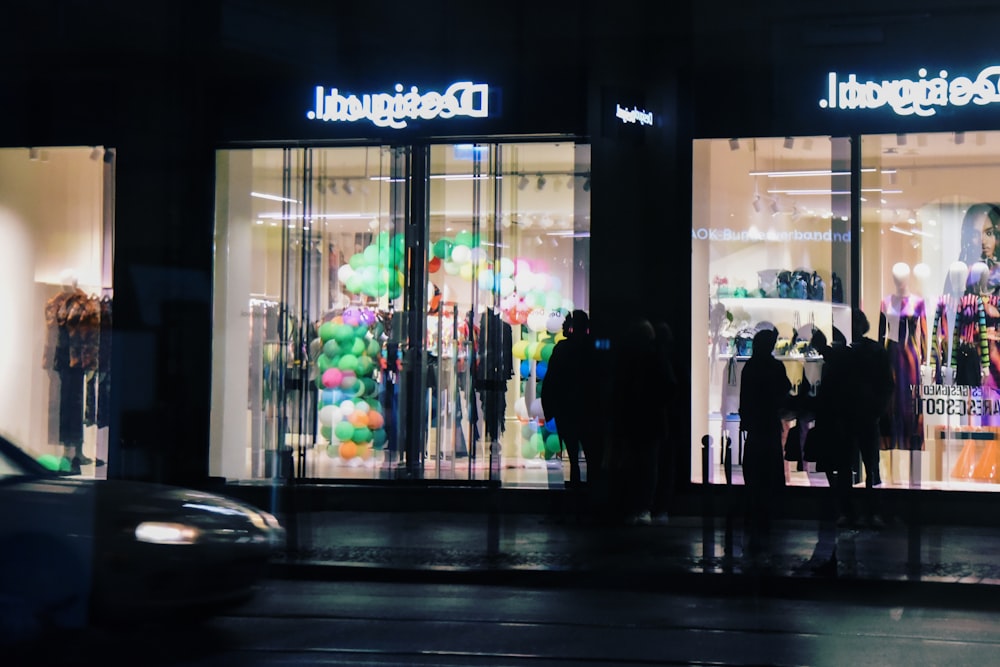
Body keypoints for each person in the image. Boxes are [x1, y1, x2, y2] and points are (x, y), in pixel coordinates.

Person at [738, 327, 791, 557]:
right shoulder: (775, 367)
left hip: (755, 425)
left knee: (754, 469)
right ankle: (769, 511)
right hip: (769, 423)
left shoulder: (750, 367)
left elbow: (745, 397)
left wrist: (745, 417)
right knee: (770, 467)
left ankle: (753, 511)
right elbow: (785, 389)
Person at [542, 310, 599, 499]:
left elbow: (551, 381)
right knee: (591, 456)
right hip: (587, 409)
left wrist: (550, 408)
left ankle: (576, 495)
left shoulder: (562, 349)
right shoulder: (592, 349)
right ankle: (591, 496)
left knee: (574, 457)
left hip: (567, 409)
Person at [847, 309, 894, 526]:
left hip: (865, 413)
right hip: (860, 413)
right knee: (861, 463)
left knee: (868, 464)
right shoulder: (862, 351)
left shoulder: (868, 352)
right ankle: (863, 511)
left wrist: (878, 408)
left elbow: (887, 384)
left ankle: (868, 511)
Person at [878, 262, 927, 450]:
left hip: (910, 357)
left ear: (907, 279)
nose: (898, 281)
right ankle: (890, 441)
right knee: (891, 398)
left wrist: (925, 361)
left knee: (910, 398)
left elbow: (923, 334)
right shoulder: (886, 302)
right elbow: (881, 334)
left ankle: (910, 441)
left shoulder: (917, 302)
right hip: (890, 355)